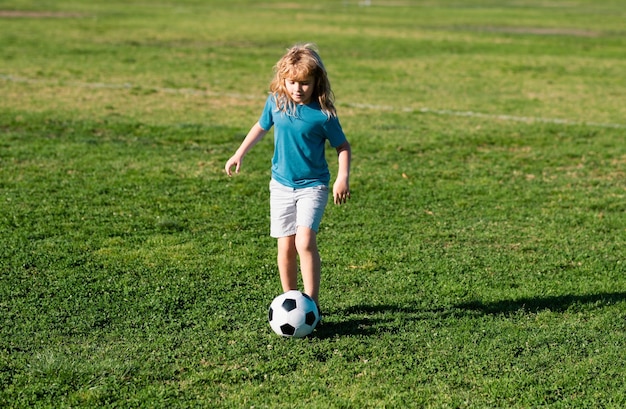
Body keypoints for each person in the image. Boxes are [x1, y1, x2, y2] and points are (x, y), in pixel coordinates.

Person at [224, 43, 351, 316]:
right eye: (291, 82)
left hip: (313, 185)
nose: (297, 89)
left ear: (317, 81)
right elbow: (260, 127)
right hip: (281, 185)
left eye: (304, 83)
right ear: (283, 80)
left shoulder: (323, 115)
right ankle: (290, 303)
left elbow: (343, 147)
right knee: (285, 245)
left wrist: (342, 178)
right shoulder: (276, 103)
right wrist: (239, 153)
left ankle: (312, 305)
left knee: (304, 241)